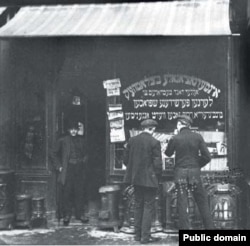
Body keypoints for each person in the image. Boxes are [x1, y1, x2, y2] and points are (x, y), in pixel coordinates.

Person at [165, 115, 215, 230]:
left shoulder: (175, 138)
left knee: (182, 203)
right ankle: (210, 228)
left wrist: (171, 141)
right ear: (189, 125)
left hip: (180, 173)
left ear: (179, 124)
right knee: (201, 201)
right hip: (194, 173)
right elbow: (207, 157)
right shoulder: (197, 137)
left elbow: (168, 153)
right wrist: (197, 165)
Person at [123, 119, 163, 244]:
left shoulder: (132, 140)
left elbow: (125, 159)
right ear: (152, 129)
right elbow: (157, 164)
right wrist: (157, 177)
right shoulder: (154, 142)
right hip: (150, 179)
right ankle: (145, 237)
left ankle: (137, 235)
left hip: (135, 178)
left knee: (138, 205)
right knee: (148, 207)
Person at [51, 120, 88, 226]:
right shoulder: (63, 141)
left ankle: (80, 214)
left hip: (79, 169)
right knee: (67, 192)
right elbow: (53, 153)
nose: (73, 131)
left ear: (77, 130)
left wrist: (84, 161)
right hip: (68, 169)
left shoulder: (82, 140)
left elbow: (86, 154)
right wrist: (59, 166)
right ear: (68, 130)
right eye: (71, 129)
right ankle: (67, 215)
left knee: (79, 191)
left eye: (75, 129)